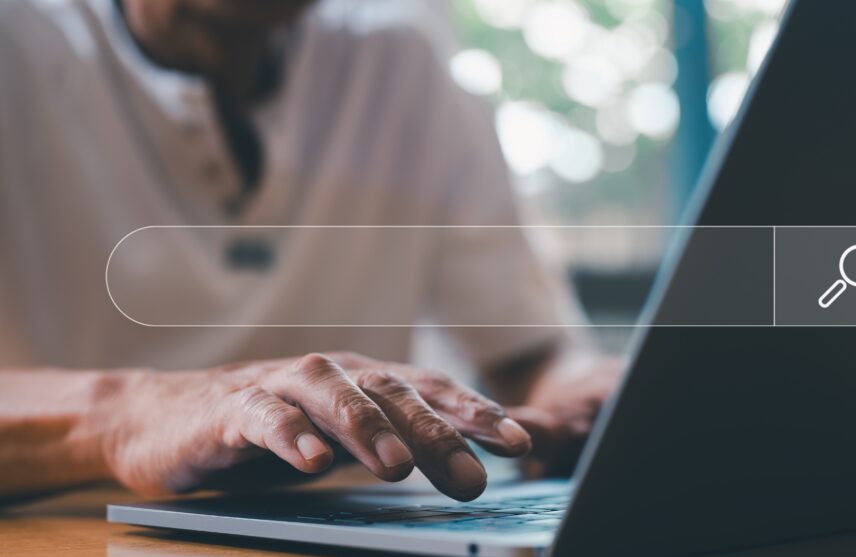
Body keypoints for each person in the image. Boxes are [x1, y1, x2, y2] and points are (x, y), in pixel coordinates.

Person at [0, 0, 621, 503]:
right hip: (68, 553)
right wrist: (133, 414)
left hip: (361, 546)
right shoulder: (18, 44)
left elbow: (530, 352)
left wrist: (585, 393)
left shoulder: (401, 66)